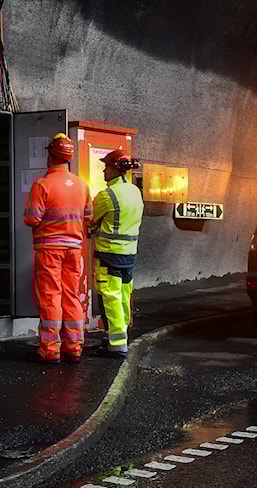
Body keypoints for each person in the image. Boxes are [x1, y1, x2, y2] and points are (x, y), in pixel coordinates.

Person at [24, 133, 92, 363]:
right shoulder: (82, 185)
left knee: (51, 296)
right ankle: (74, 347)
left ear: (51, 155)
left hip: (49, 250)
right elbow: (88, 216)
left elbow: (32, 218)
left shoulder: (42, 185)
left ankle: (50, 350)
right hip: (74, 250)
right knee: (72, 296)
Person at [91, 149, 144, 359]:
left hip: (108, 255)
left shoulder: (106, 195)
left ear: (115, 168)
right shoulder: (134, 191)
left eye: (106, 166)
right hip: (129, 254)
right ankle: (119, 337)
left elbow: (90, 221)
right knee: (123, 296)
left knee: (109, 298)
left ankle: (116, 344)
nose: (104, 170)